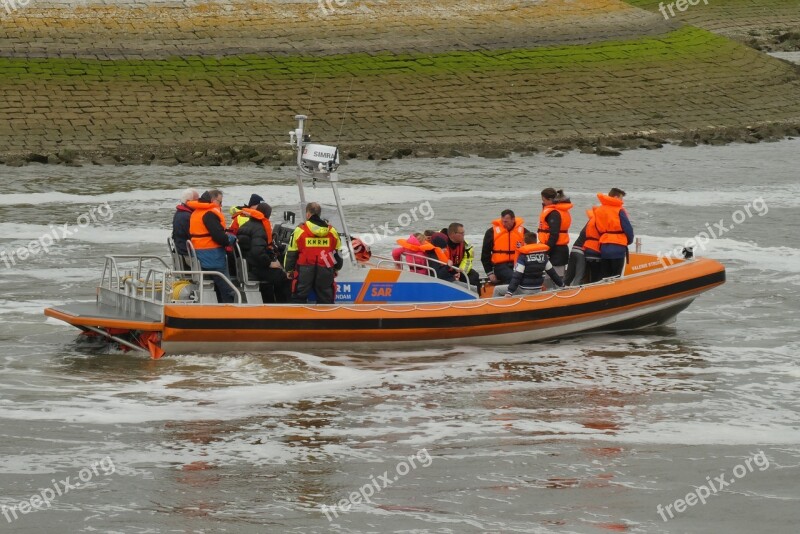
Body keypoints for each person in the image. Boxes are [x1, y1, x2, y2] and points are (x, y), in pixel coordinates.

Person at [284, 202, 343, 304]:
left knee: (299, 296)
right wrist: (337, 268)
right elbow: (338, 253)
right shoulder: (332, 231)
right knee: (326, 298)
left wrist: (289, 270)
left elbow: (291, 252)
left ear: (308, 214)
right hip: (325, 268)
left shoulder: (300, 230)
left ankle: (298, 318)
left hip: (304, 270)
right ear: (319, 214)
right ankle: (326, 318)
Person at [188, 189, 236, 303]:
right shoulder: (209, 214)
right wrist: (231, 239)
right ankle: (229, 311)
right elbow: (219, 237)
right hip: (212, 256)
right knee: (228, 288)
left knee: (218, 286)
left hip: (199, 254)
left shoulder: (196, 213)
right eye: (220, 202)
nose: (221, 205)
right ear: (213, 200)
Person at [236, 203, 290, 303]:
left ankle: (270, 302)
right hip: (256, 267)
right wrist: (270, 263)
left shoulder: (244, 226)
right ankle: (283, 307)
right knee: (284, 278)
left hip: (247, 265)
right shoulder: (260, 229)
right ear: (267, 215)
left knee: (274, 277)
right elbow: (258, 252)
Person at [494, 232, 564, 297]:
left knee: (497, 289)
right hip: (538, 289)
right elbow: (552, 273)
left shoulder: (523, 257)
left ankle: (496, 309)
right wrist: (561, 285)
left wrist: (510, 291)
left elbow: (517, 276)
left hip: (524, 290)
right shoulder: (543, 256)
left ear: (525, 243)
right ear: (535, 241)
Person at [594, 187, 634, 278]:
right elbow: (627, 228)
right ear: (616, 197)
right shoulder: (619, 210)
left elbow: (597, 227)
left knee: (605, 276)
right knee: (616, 277)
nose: (622, 200)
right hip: (618, 246)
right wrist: (629, 240)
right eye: (621, 198)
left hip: (604, 246)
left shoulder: (599, 210)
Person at [538, 188, 572, 287]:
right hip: (556, 249)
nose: (543, 202)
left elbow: (554, 234)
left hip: (557, 251)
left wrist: (546, 249)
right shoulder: (555, 211)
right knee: (549, 279)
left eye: (544, 200)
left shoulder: (554, 213)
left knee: (556, 279)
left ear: (549, 200)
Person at [481, 209, 526, 284]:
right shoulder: (491, 232)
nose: (504, 224)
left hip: (518, 264)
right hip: (500, 266)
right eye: (502, 221)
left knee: (528, 277)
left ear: (513, 220)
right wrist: (490, 273)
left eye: (506, 222)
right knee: (513, 277)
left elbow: (530, 250)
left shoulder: (524, 232)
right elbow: (485, 254)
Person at [565, 209, 602, 286]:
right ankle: (576, 296)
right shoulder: (598, 224)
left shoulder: (589, 222)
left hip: (574, 249)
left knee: (568, 277)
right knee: (579, 277)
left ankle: (560, 291)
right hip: (582, 252)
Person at [442, 223, 481, 288]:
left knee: (474, 276)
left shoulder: (466, 245)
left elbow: (468, 260)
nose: (464, 235)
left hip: (459, 268)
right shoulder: (441, 244)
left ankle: (476, 296)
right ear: (452, 234)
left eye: (464, 233)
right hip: (445, 269)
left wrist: (461, 271)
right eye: (461, 233)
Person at [171, 188, 199, 270]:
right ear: (188, 201)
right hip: (187, 253)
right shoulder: (187, 216)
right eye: (197, 200)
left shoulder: (180, 213)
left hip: (181, 250)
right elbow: (194, 236)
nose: (199, 203)